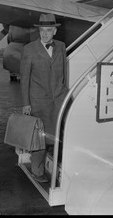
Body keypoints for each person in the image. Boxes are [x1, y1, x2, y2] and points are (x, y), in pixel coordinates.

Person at [20, 13, 68, 183]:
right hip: (38, 102)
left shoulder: (61, 46)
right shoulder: (29, 49)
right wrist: (26, 103)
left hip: (58, 100)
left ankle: (58, 163)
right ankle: (37, 171)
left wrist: (65, 94)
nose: (45, 34)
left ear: (54, 31)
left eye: (48, 30)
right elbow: (24, 79)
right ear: (39, 30)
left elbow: (64, 74)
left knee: (58, 135)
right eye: (42, 30)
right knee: (40, 140)